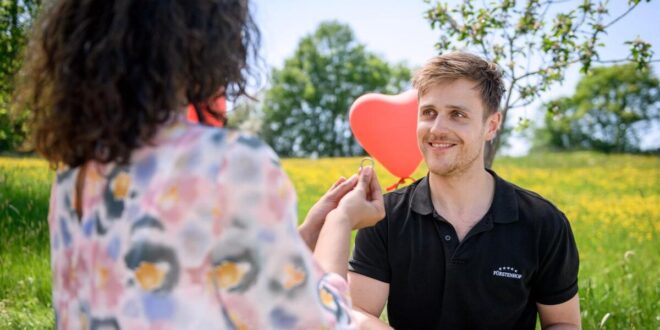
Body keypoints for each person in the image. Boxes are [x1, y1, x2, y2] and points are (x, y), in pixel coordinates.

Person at [17, 0, 384, 328]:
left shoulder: (72, 178)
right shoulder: (227, 164)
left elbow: (196, 280)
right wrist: (341, 222)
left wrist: (303, 234)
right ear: (207, 36)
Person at [347, 52, 581, 329]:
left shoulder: (543, 222)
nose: (437, 128)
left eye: (457, 114)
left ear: (491, 125)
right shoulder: (383, 217)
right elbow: (359, 313)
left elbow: (563, 323)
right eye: (428, 113)